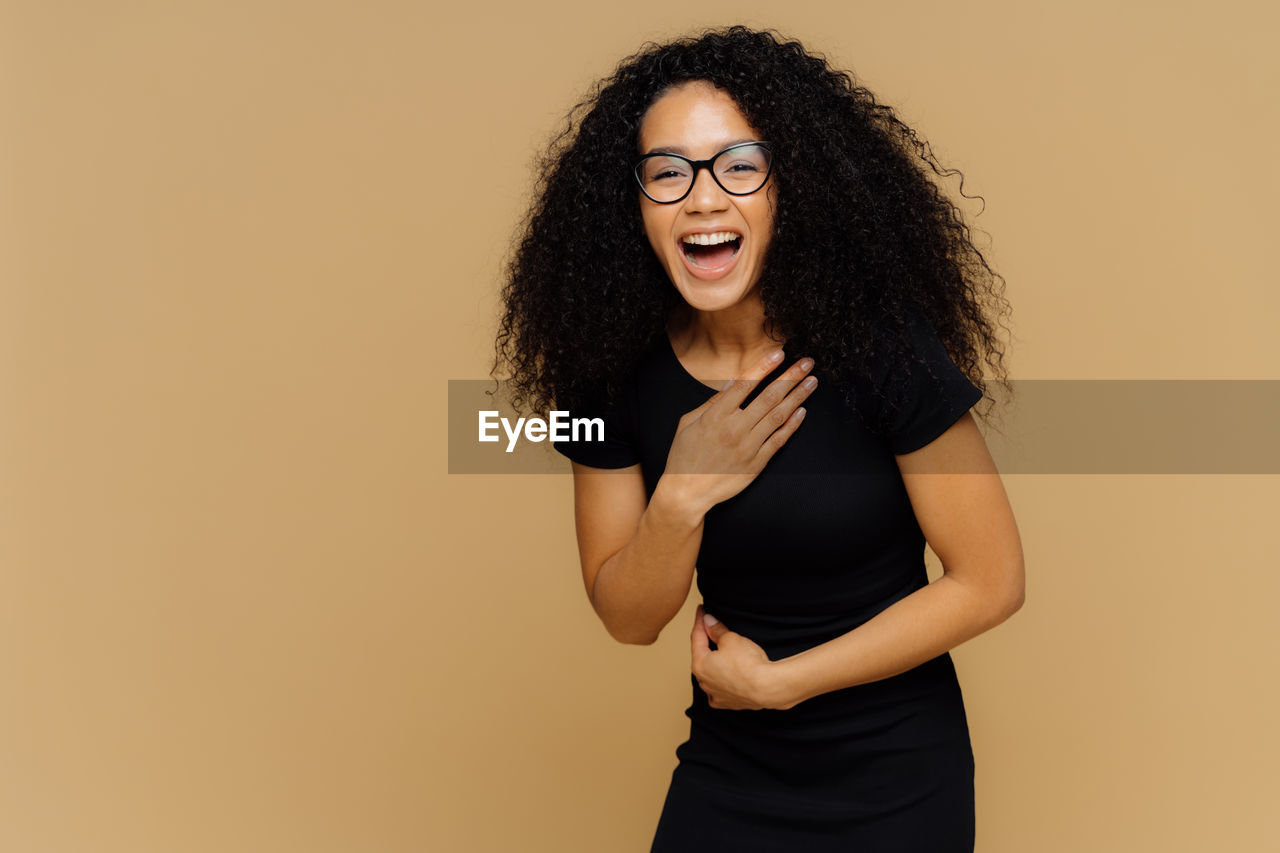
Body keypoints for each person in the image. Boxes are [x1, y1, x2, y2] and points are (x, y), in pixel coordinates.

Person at [493, 25, 1025, 852]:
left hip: (896, 777)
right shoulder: (603, 370)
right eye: (668, 173)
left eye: (739, 165)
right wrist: (682, 491)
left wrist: (780, 683)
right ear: (629, 203)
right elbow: (628, 619)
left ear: (790, 186)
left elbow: (991, 580)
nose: (703, 199)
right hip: (731, 765)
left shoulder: (883, 346)